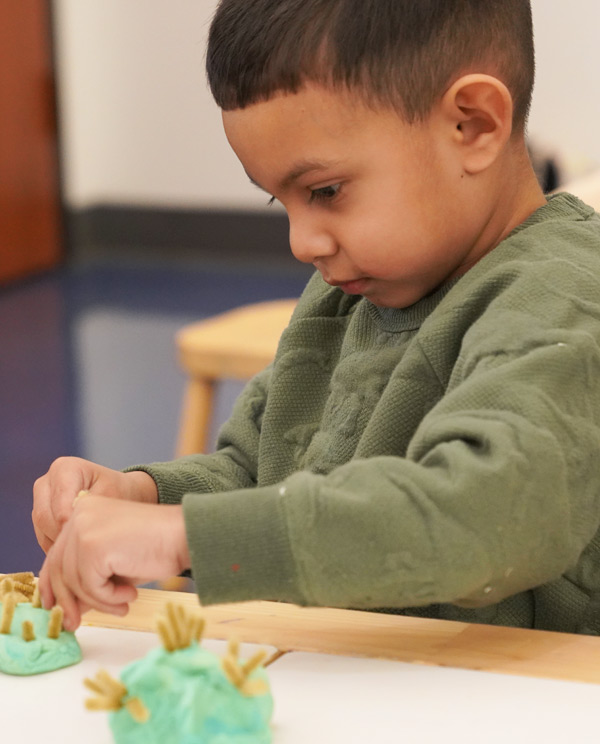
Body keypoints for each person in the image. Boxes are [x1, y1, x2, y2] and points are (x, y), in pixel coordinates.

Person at [33, 0, 600, 635]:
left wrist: (184, 536)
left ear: (473, 126)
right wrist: (145, 496)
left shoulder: (566, 296)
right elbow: (259, 473)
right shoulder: (346, 295)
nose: (303, 242)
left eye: (325, 191)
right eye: (282, 201)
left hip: (528, 710)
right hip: (361, 685)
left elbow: (485, 515)